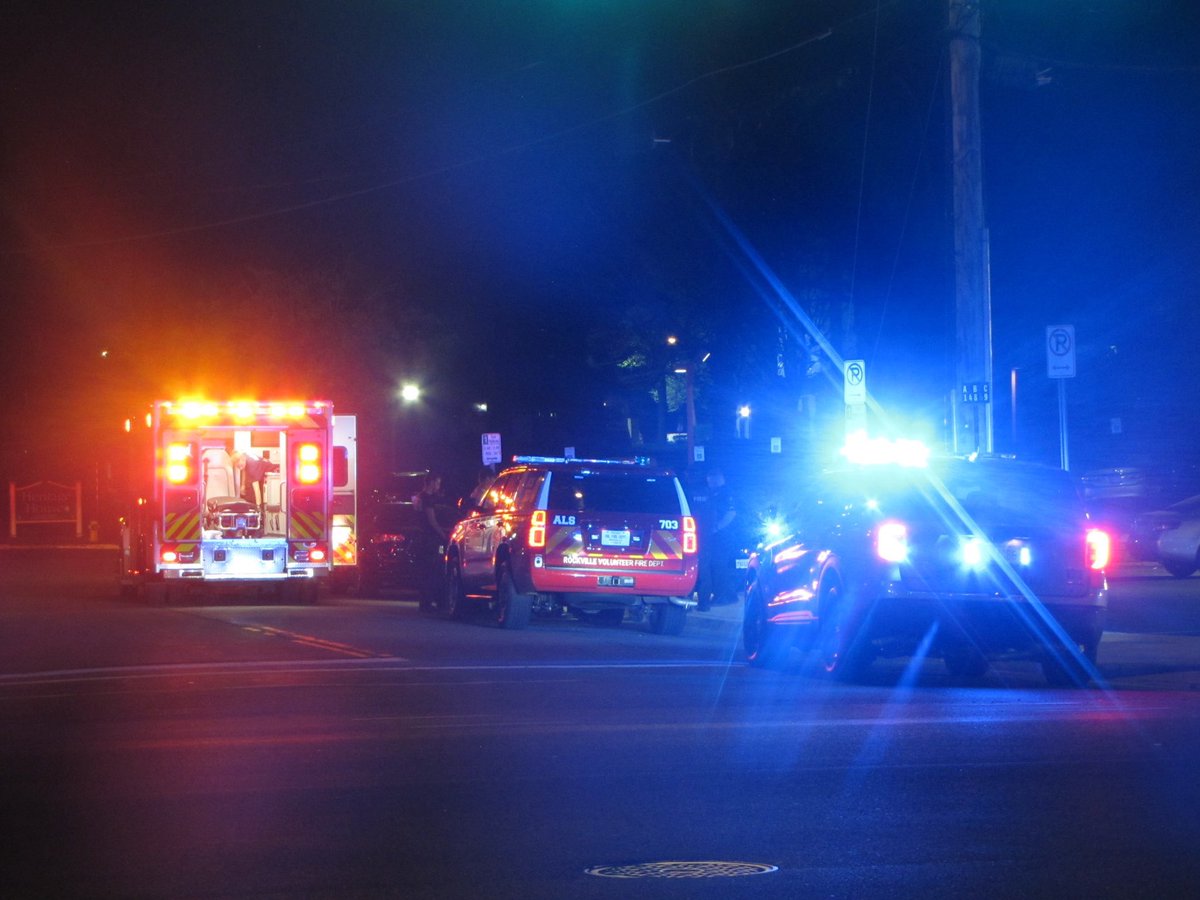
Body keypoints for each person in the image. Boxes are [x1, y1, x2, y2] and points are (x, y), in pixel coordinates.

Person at [694, 467, 740, 611]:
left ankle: (725, 596)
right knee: (715, 565)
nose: (710, 482)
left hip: (723, 536)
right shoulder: (712, 492)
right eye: (709, 480)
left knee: (719, 566)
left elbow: (731, 513)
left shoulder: (726, 493)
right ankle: (721, 595)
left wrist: (717, 527)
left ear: (719, 478)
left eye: (712, 479)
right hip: (713, 536)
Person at [412, 472, 449, 543]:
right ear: (432, 483)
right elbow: (432, 521)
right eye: (438, 483)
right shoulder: (428, 499)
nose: (439, 487)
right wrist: (443, 536)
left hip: (420, 533)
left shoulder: (419, 496)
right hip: (429, 535)